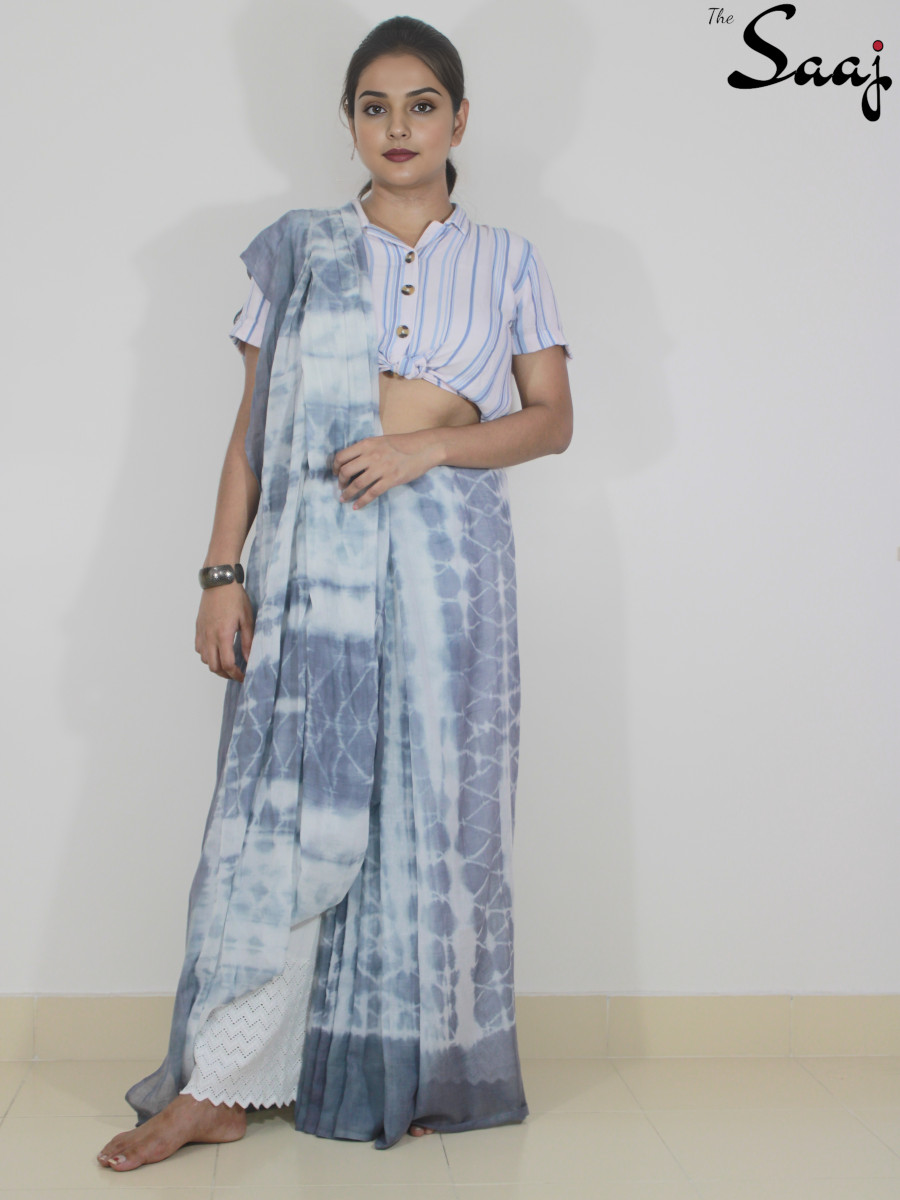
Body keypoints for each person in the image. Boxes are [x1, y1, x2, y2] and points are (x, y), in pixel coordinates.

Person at [97, 15, 572, 1172]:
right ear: (350, 122)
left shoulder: (510, 260)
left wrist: (427, 446)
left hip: (449, 571)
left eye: (422, 105)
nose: (397, 127)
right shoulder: (301, 251)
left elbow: (552, 420)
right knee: (285, 820)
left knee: (429, 817)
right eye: (374, 105)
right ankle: (218, 1082)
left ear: (460, 120)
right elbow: (251, 434)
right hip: (312, 563)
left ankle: (405, 1066)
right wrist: (222, 572)